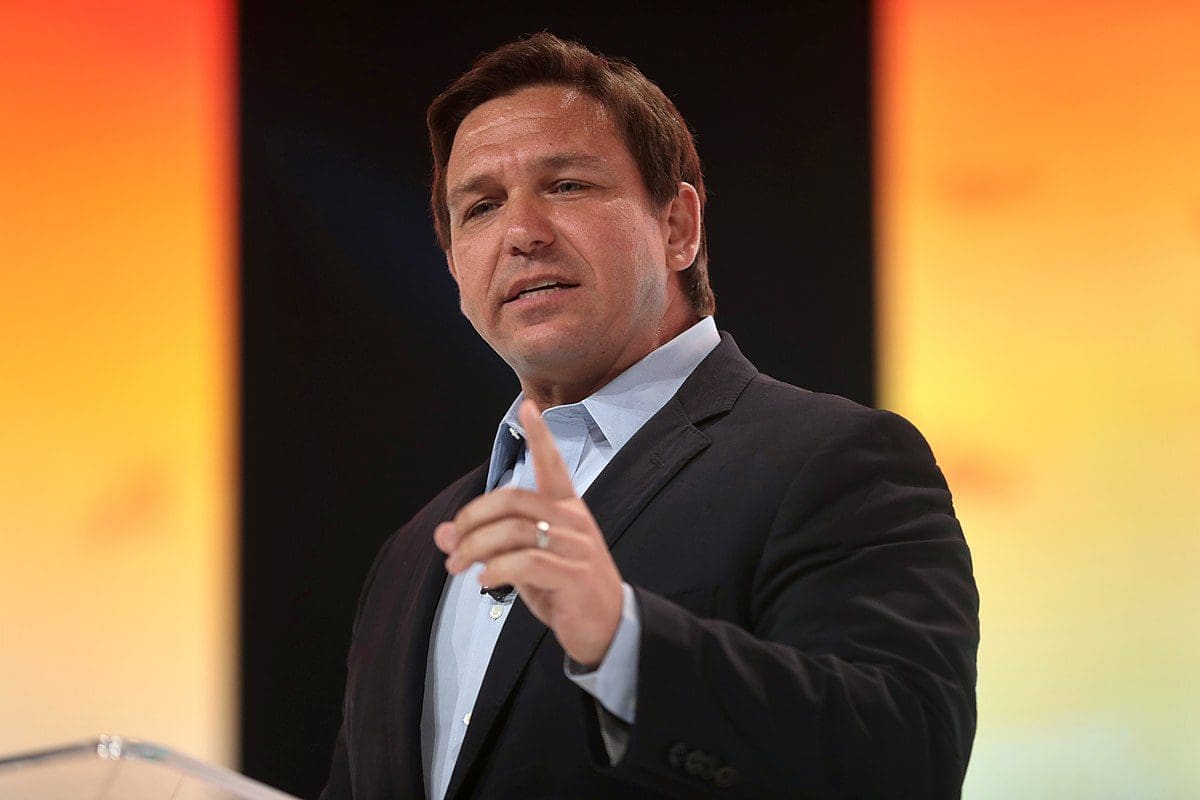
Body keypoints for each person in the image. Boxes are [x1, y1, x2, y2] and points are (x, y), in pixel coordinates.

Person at [320, 32, 978, 800]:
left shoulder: (835, 462)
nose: (522, 233)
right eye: (482, 207)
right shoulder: (413, 554)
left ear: (677, 228)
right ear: (455, 268)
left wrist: (623, 643)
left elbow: (904, 761)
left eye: (566, 185)